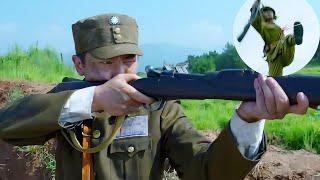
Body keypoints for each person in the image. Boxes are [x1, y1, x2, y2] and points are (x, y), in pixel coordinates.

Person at [0, 13, 309, 180]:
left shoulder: (160, 109)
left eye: (129, 60)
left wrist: (247, 119)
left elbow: (207, 173)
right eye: (106, 63)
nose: (120, 73)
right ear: (79, 64)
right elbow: (8, 126)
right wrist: (93, 100)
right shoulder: (68, 103)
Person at [250, 0, 304, 76]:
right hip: (274, 55)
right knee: (274, 77)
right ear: (261, 14)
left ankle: (296, 38)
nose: (268, 12)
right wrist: (256, 3)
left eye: (270, 11)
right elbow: (254, 19)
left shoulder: (278, 27)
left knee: (288, 38)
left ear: (274, 14)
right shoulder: (262, 26)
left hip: (285, 51)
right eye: (265, 11)